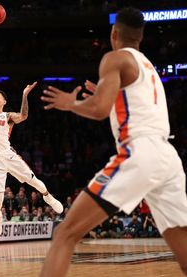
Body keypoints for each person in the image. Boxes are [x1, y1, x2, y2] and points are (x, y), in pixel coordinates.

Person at [40, 7, 187, 276]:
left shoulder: (114, 59)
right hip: (168, 159)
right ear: (140, 38)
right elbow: (123, 106)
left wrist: (71, 103)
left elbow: (98, 108)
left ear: (113, 33)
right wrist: (108, 99)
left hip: (140, 153)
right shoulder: (148, 67)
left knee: (65, 234)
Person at [0, 48, 63, 236]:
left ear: (4, 102)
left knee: (35, 183)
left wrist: (25, 95)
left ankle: (48, 197)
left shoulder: (8, 116)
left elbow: (24, 116)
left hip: (8, 156)